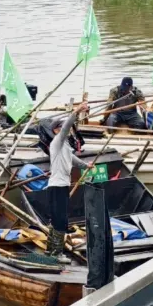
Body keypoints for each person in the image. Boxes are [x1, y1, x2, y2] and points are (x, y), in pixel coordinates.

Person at [46, 103, 90, 260]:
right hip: (57, 186)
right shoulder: (57, 141)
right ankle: (57, 254)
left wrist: (86, 166)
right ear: (56, 130)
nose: (70, 131)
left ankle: (50, 250)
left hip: (61, 186)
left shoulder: (64, 146)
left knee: (57, 218)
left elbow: (73, 159)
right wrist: (76, 111)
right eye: (64, 128)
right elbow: (66, 128)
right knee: (61, 220)